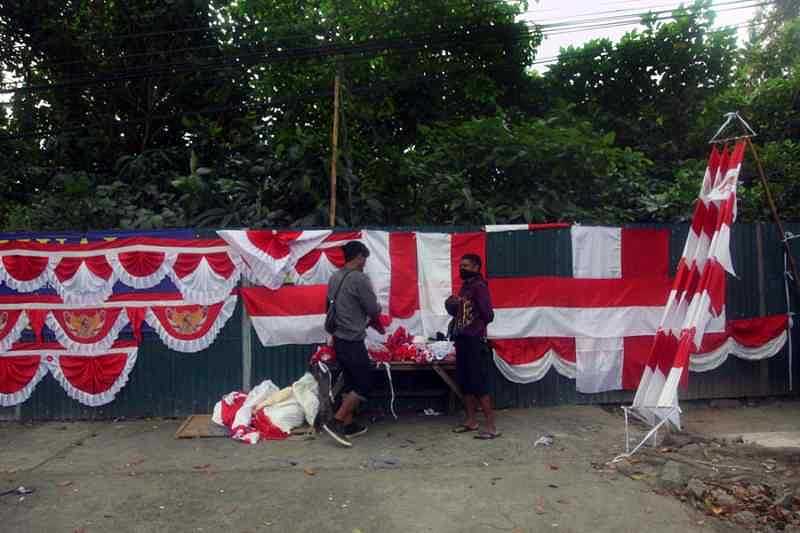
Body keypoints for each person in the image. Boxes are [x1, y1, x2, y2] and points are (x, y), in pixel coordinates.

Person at [322, 240, 385, 447]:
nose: (365, 263)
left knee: (350, 381)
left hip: (338, 337)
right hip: (352, 339)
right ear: (358, 257)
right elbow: (373, 309)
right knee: (364, 384)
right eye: (364, 258)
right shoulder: (359, 279)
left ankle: (348, 424)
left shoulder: (334, 277)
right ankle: (337, 421)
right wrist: (377, 309)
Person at [445, 253, 499, 440]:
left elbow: (489, 315)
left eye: (466, 265)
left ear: (477, 267)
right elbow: (460, 312)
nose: (462, 268)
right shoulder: (465, 287)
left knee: (479, 384)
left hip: (475, 340)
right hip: (462, 340)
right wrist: (455, 305)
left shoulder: (479, 287)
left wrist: (472, 317)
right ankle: (471, 421)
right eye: (461, 265)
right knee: (466, 382)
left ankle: (491, 427)